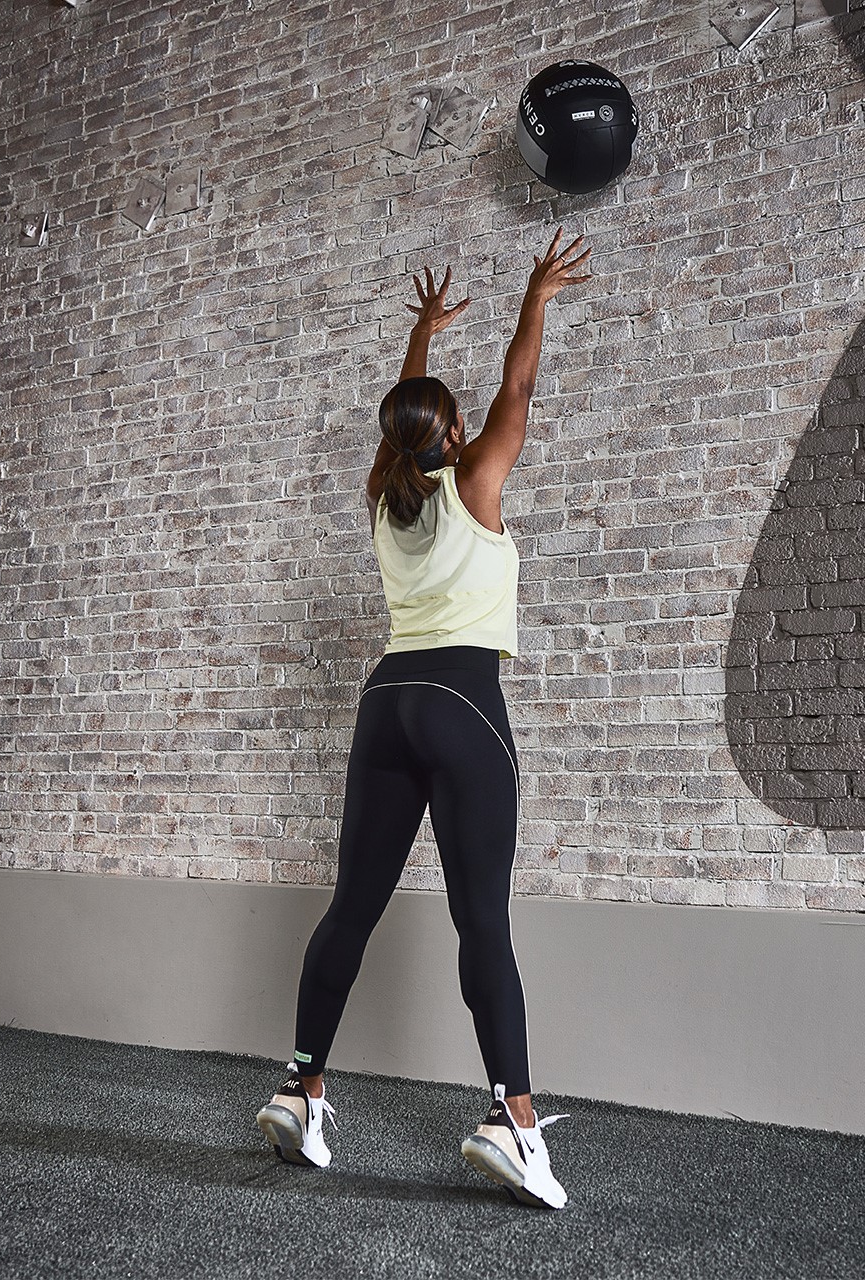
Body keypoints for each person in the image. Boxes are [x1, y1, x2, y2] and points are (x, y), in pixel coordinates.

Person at [256, 230, 592, 1210]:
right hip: (461, 701)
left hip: (386, 703)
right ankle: (512, 1119)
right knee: (481, 918)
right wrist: (534, 298)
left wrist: (421, 337)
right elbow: (518, 388)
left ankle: (300, 1089)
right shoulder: (476, 481)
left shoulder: (383, 493)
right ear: (453, 433)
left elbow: (401, 419)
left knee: (348, 910)